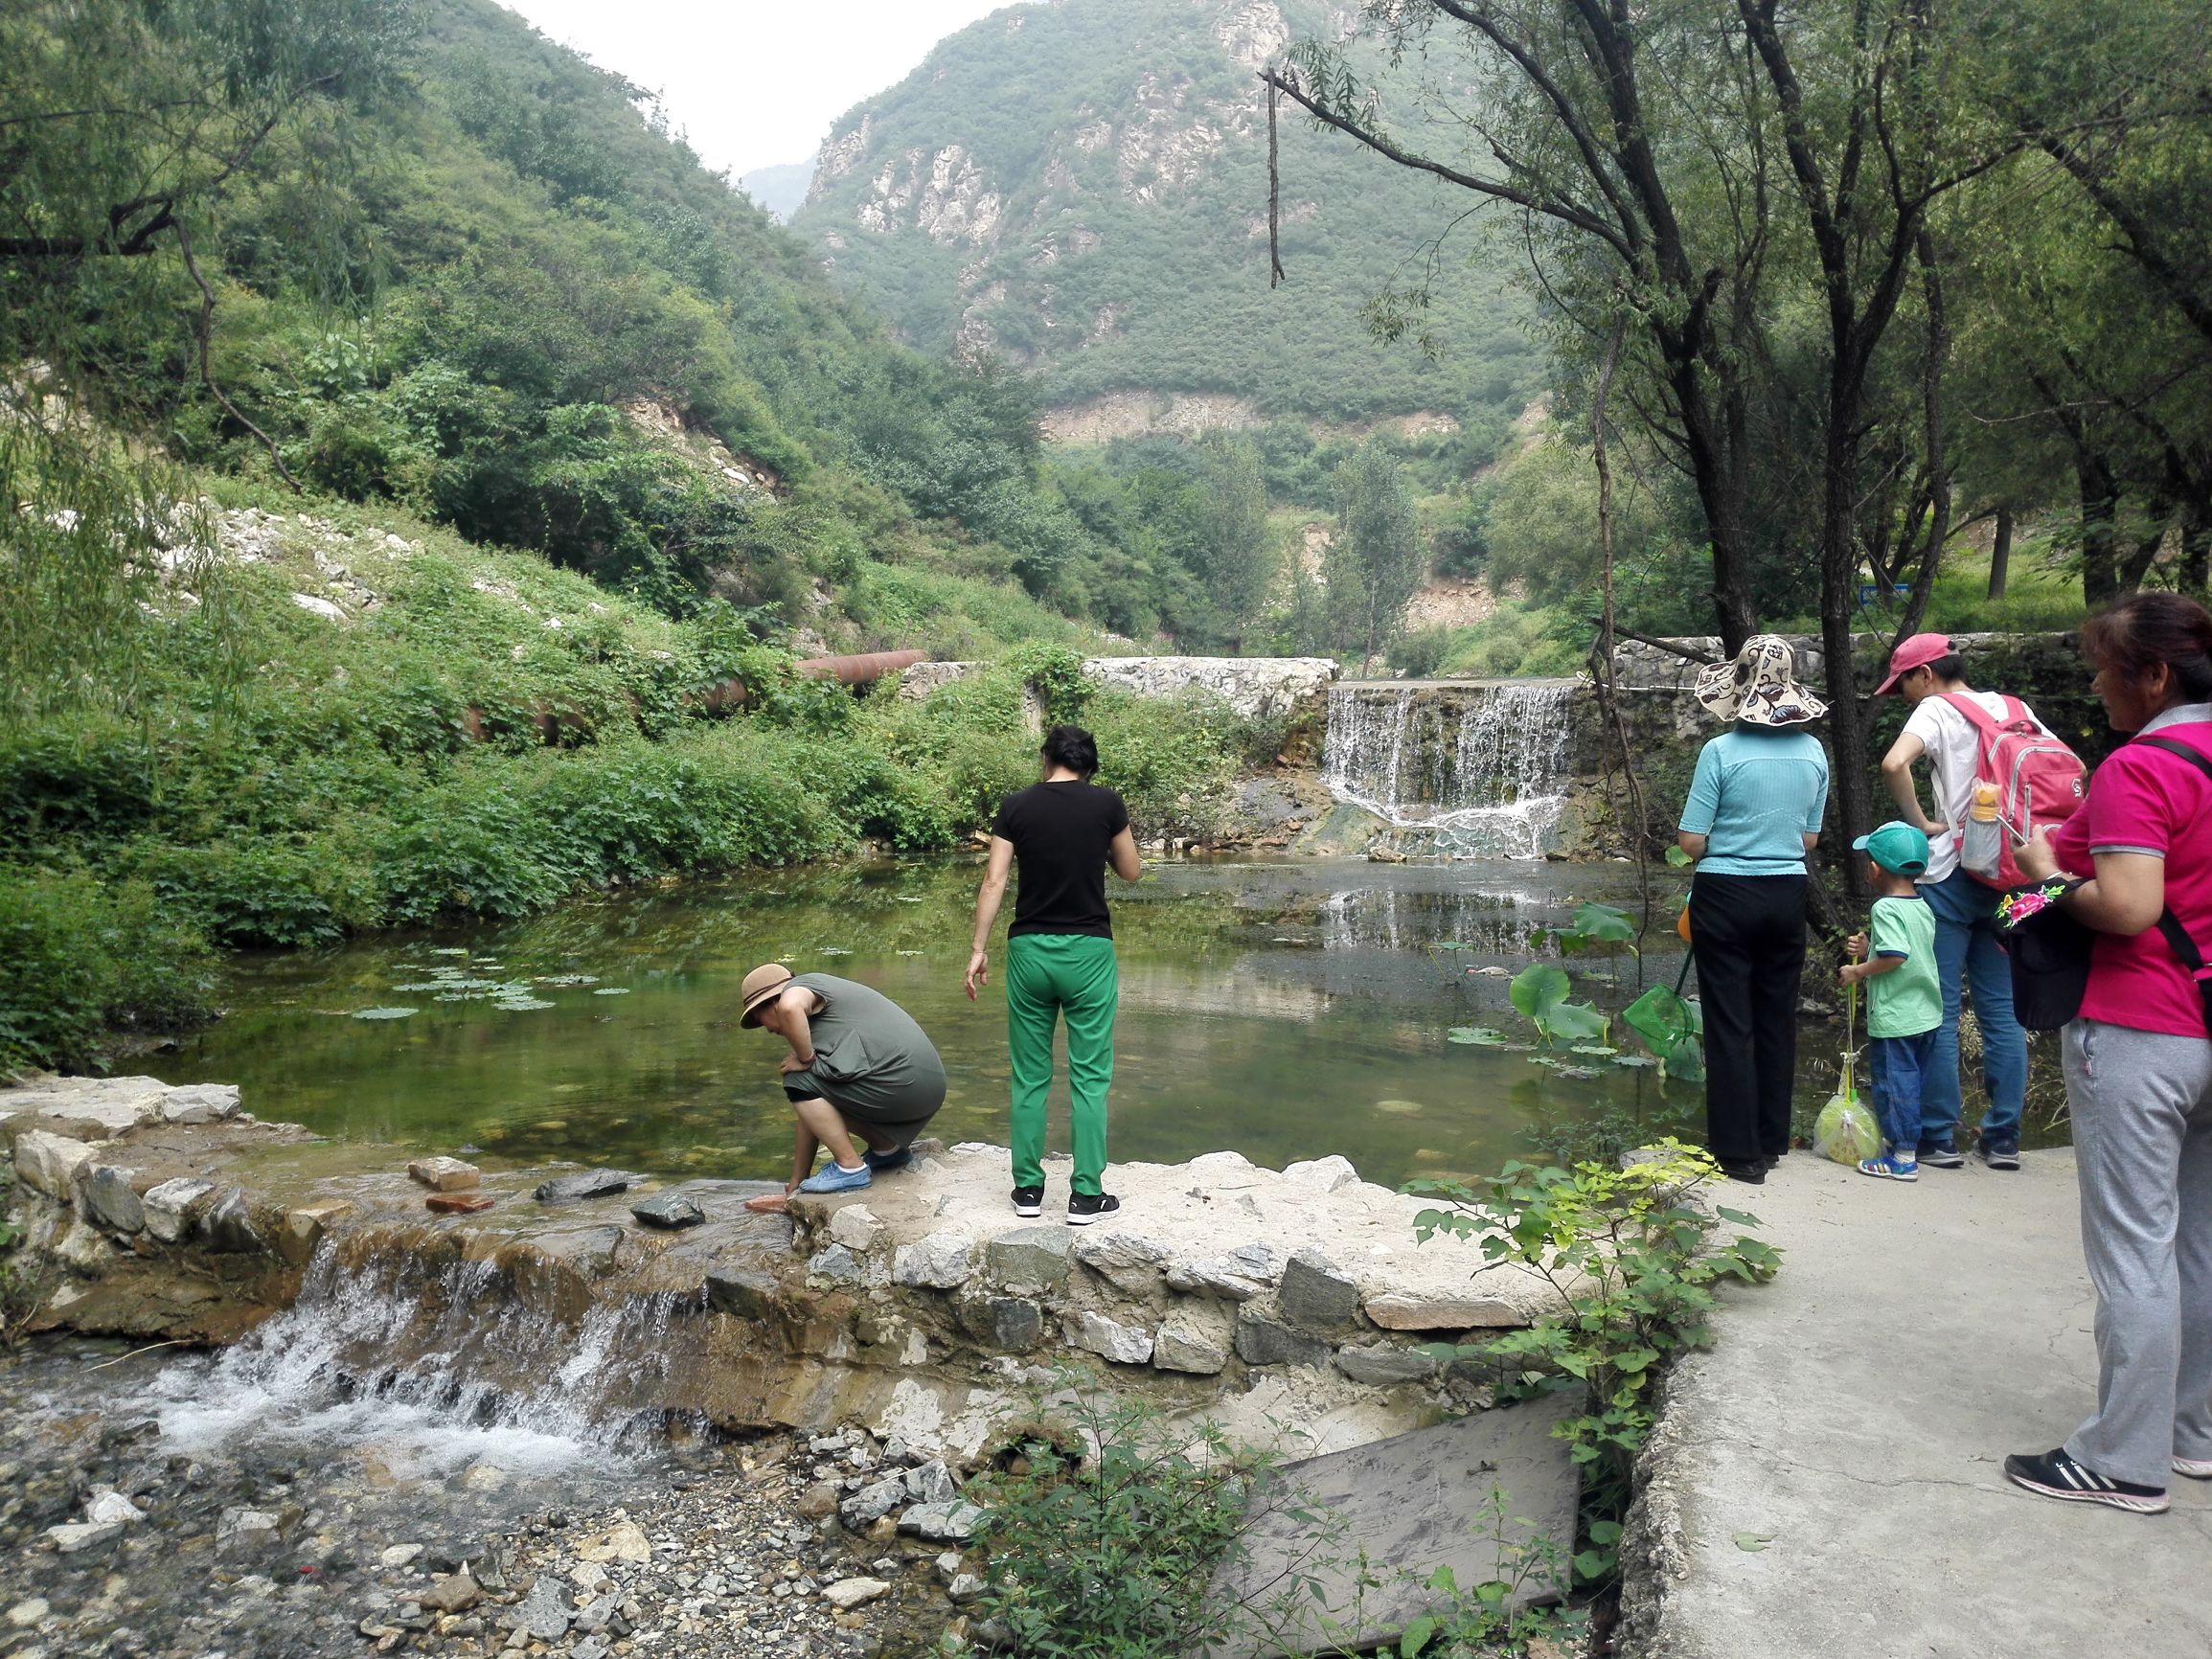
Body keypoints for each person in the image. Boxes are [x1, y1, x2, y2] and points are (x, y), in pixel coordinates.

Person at [2005, 592, 2212, 1514]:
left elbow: (2126, 906)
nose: (2094, 684)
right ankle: (2190, 1435)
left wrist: (2045, 872)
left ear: (2154, 674)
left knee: (2134, 1247)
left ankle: (2122, 1462)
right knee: (2200, 1246)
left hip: (2141, 1031)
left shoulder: (2142, 765)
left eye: (2104, 668)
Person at [1875, 633, 2059, 1170]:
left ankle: (1938, 1138)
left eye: (1903, 684)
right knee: (2002, 1012)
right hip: (2016, 879)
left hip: (1954, 874)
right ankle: (2003, 1140)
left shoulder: (1936, 707)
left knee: (1941, 1006)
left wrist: (1924, 823)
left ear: (1926, 674)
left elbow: (1893, 764)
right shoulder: (2017, 709)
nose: (1905, 696)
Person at [966, 723, 1143, 1224]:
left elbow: (994, 879)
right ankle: (1086, 1196)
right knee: (1089, 1078)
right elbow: (1131, 871)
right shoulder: (1106, 804)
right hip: (1088, 951)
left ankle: (1027, 1191)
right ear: (1089, 765)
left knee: (1029, 1076)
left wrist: (978, 949)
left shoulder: (1016, 806)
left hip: (1029, 952)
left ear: (1047, 760)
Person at [1677, 636, 1833, 1185]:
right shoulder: (1814, 753)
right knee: (1775, 1016)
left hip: (1726, 893)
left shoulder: (1720, 752)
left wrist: (1726, 838)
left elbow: (1692, 840)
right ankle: (1771, 1137)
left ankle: (1738, 1154)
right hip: (1786, 893)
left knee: (1729, 1021)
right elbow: (1810, 840)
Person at [740, 965, 946, 1198]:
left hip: (906, 1084)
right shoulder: (824, 1006)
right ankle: (887, 1151)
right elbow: (812, 1113)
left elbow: (789, 1007)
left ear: (771, 1002)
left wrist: (806, 1059)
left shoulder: (796, 991)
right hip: (924, 1086)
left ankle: (850, 1168)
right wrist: (796, 1185)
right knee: (809, 1088)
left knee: (798, 1078)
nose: (765, 1027)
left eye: (759, 1018)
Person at [1839, 822, 1939, 1182]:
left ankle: (1903, 1158)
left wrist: (1859, 970)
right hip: (1926, 1013)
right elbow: (1908, 950)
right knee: (1912, 1083)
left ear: (1876, 869)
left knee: (1894, 1085)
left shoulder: (1884, 908)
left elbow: (1896, 956)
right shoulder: (1921, 906)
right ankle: (1905, 1143)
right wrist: (1870, 949)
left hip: (1897, 1016)